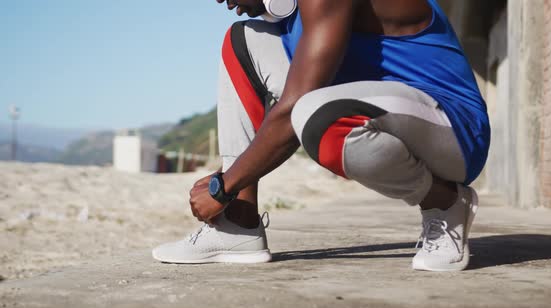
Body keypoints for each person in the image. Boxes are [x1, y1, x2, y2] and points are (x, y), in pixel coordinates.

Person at [152, 0, 490, 272]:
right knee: (242, 42)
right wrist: (232, 194)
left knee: (316, 115)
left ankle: (444, 202)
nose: (223, 1)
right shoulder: (300, 17)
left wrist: (222, 187)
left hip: (453, 130)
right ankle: (238, 226)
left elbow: (293, 108)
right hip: (382, 109)